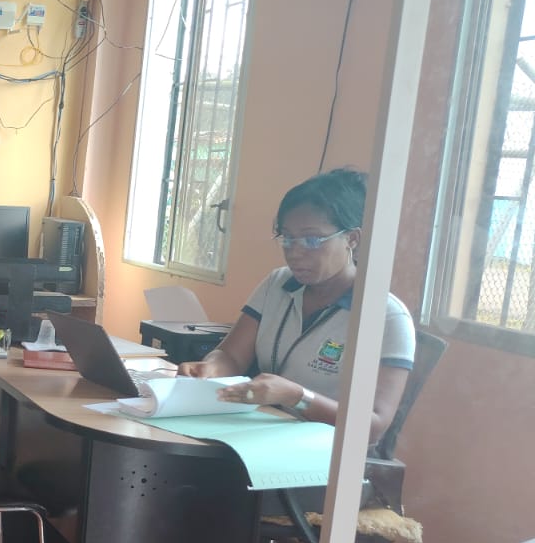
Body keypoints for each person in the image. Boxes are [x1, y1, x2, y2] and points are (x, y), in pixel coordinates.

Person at [177, 168, 415, 443]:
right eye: (288, 239)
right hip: (260, 429)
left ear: (352, 239)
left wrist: (298, 397)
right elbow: (231, 356)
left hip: (326, 449)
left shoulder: (387, 317)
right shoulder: (278, 284)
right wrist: (210, 368)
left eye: (312, 240)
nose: (295, 252)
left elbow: (374, 425)